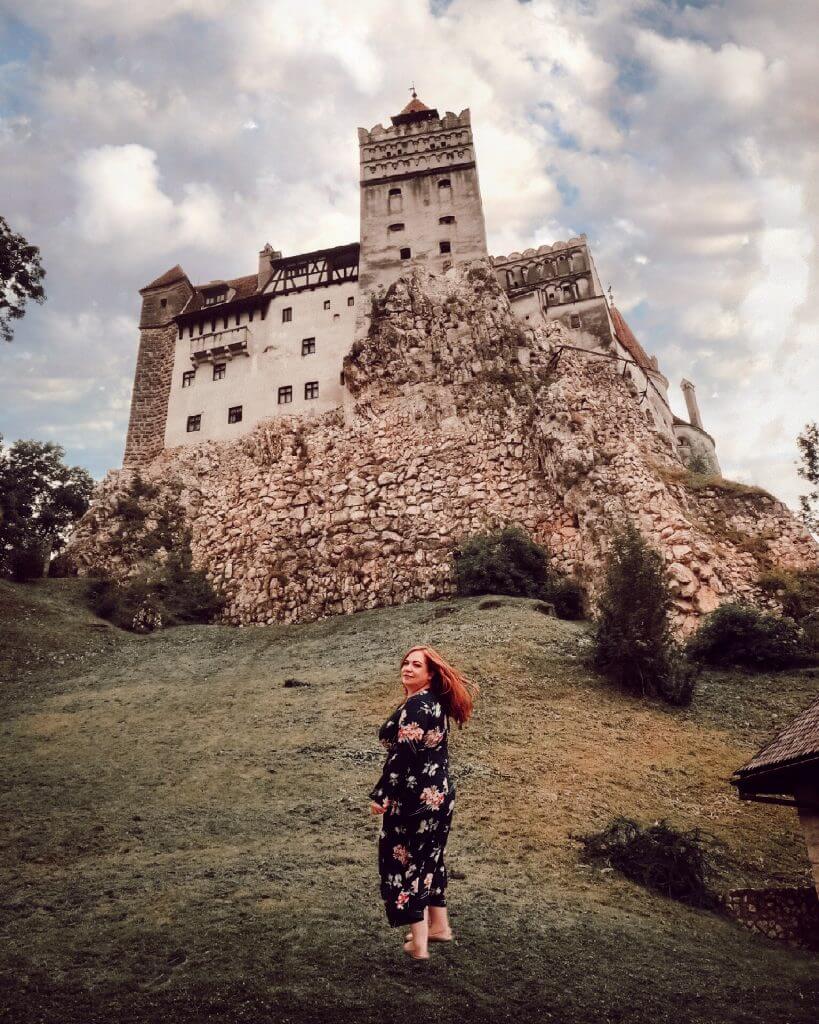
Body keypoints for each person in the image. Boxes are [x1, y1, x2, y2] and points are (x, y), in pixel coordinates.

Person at [369, 645, 477, 960]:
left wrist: (382, 793)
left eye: (417, 664)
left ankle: (419, 945)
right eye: (405, 662)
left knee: (406, 860)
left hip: (416, 798)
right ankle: (439, 927)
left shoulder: (419, 705)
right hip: (439, 795)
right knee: (429, 858)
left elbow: (404, 754)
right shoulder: (426, 702)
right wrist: (409, 694)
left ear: (429, 674)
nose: (408, 667)